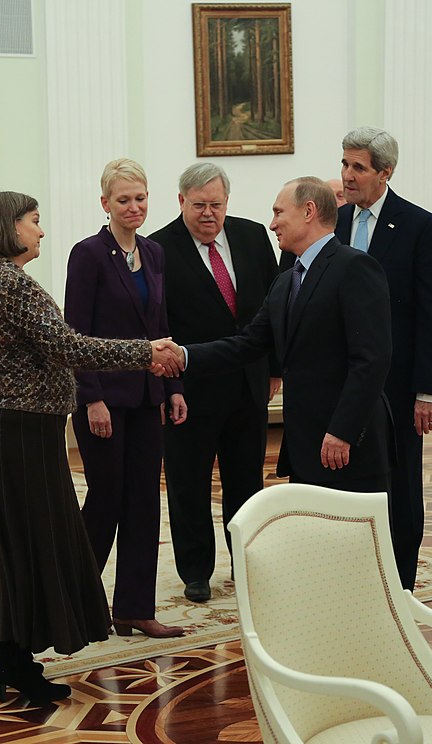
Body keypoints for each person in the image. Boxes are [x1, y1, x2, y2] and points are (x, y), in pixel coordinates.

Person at [0, 190, 181, 707]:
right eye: (34, 222)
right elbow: (70, 346)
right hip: (24, 431)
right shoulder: (10, 285)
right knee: (36, 539)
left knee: (17, 540)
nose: (41, 231)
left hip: (12, 426)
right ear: (7, 226)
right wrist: (143, 352)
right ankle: (11, 651)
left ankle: (5, 643)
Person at [167, 177, 393, 492]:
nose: (272, 224)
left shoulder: (355, 268)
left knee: (356, 539)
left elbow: (371, 360)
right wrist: (184, 355)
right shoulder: (286, 281)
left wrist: (343, 431)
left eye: (279, 212)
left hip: (347, 445)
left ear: (308, 211)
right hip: (306, 445)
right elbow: (247, 344)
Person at [64, 159, 187, 639]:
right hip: (102, 398)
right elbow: (76, 333)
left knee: (143, 502)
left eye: (140, 198)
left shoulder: (154, 253)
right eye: (123, 200)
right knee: (106, 499)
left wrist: (172, 387)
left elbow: (160, 328)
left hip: (145, 398)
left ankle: (134, 608)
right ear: (105, 204)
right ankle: (74, 600)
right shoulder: (88, 254)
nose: (134, 207)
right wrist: (91, 399)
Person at [149, 163, 280, 603]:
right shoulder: (158, 250)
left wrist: (275, 368)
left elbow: (272, 307)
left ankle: (246, 563)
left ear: (228, 203)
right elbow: (157, 322)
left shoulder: (252, 236)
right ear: (181, 201)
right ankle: (196, 571)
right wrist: (171, 388)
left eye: (217, 205)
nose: (209, 214)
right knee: (189, 483)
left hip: (249, 385)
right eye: (199, 205)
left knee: (247, 481)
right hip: (190, 389)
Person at [336, 126, 432, 590]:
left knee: (400, 482)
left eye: (357, 167)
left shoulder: (420, 225)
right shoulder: (336, 221)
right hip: (344, 379)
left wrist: (428, 390)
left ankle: (401, 579)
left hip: (399, 384)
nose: (346, 175)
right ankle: (352, 574)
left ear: (385, 172)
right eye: (344, 164)